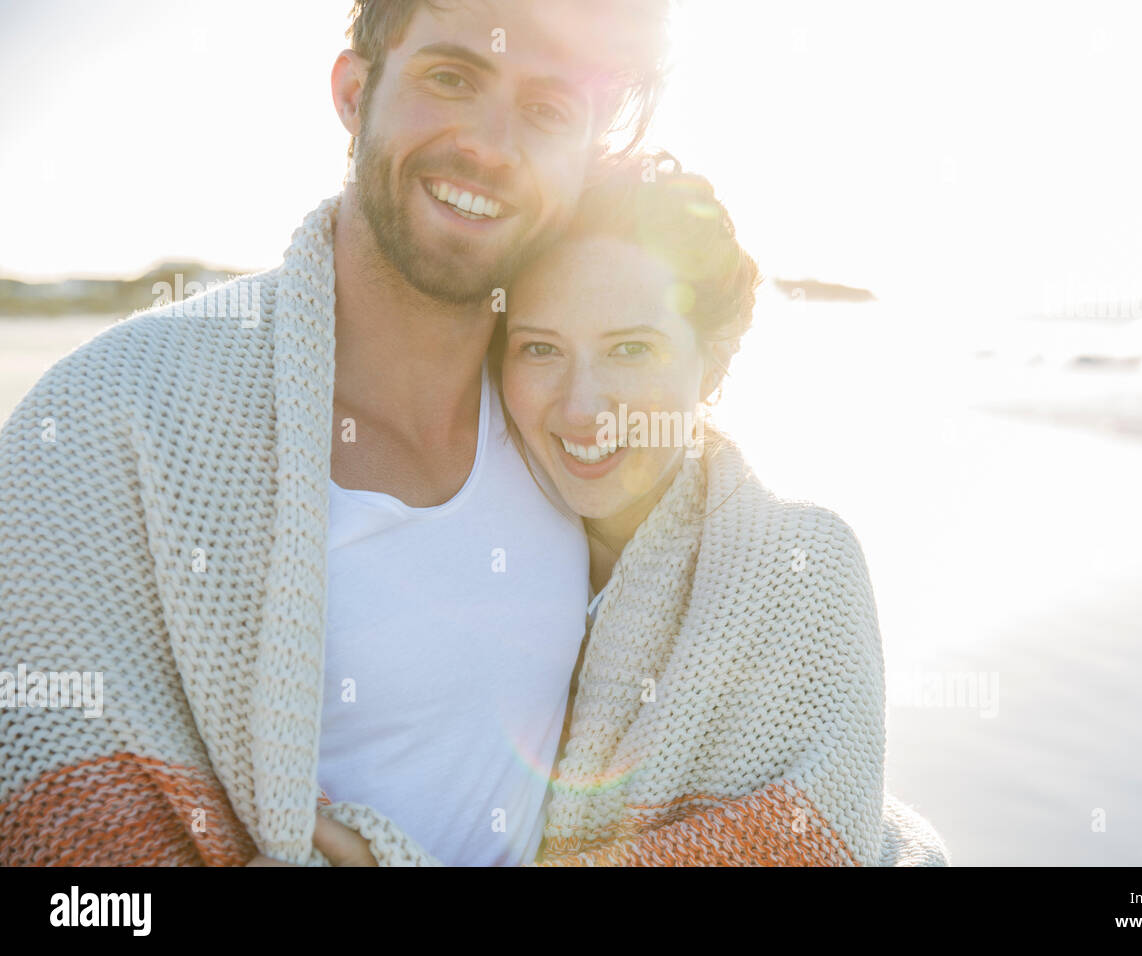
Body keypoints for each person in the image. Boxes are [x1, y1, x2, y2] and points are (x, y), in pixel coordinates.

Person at [0, 0, 670, 866]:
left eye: (547, 110)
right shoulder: (108, 419)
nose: (492, 146)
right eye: (452, 77)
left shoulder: (576, 429)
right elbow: (61, 844)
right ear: (355, 91)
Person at [493, 151, 952, 865]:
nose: (581, 407)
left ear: (712, 361)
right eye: (541, 348)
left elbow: (812, 841)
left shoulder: (803, 566)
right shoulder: (461, 546)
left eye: (631, 349)